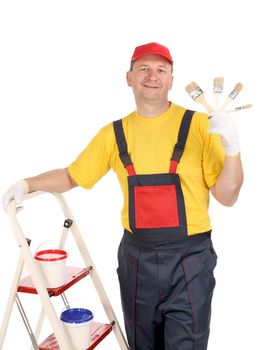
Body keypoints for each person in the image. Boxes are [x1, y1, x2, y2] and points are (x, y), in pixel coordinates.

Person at [2, 42, 243, 350]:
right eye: (143, 68)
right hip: (136, 261)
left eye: (161, 70)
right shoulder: (113, 134)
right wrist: (26, 184)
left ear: (171, 79)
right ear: (129, 78)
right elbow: (70, 176)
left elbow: (228, 195)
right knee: (141, 345)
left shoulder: (198, 125)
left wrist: (233, 150)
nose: (152, 76)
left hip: (190, 261)